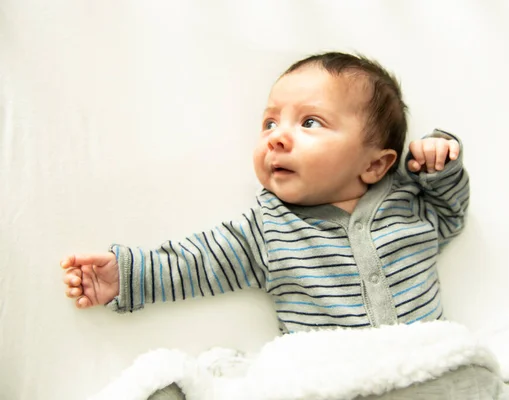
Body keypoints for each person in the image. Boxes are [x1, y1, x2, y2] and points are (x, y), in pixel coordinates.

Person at [61, 52, 469, 335]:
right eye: (269, 123)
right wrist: (127, 276)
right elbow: (196, 262)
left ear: (375, 165)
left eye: (310, 122)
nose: (277, 138)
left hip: (431, 369)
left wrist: (439, 162)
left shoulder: (410, 205)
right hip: (335, 383)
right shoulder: (268, 231)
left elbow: (451, 212)